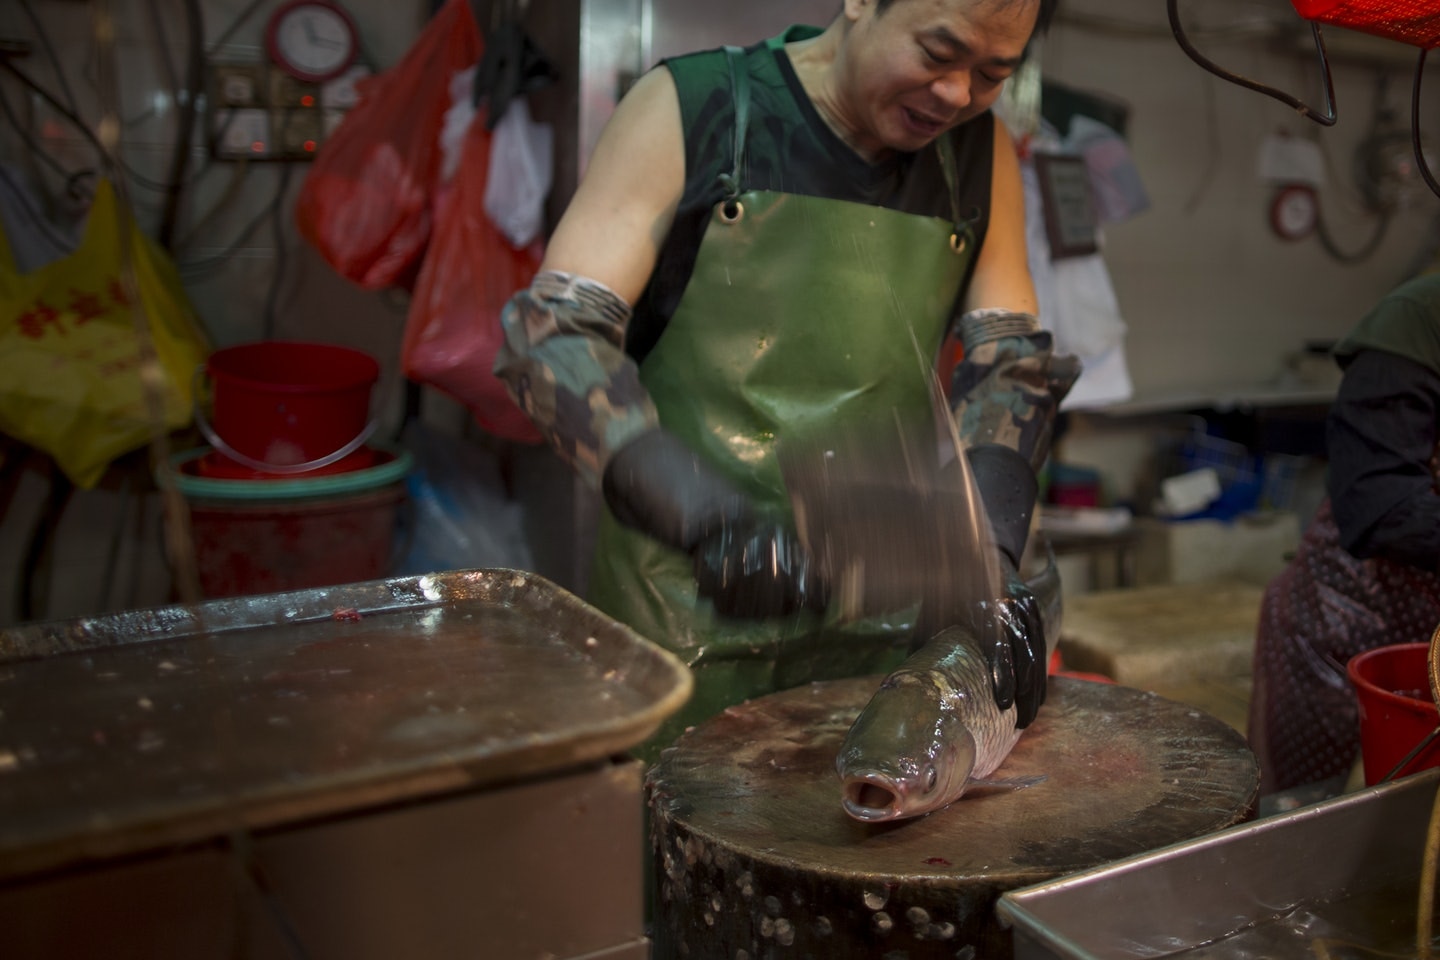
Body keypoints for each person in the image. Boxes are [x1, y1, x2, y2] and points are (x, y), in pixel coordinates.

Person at [494, 0, 1078, 761]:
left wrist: (988, 542)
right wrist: (701, 514)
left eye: (994, 74)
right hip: (686, 626)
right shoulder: (691, 108)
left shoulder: (975, 149)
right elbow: (556, 337)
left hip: (881, 628)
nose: (958, 95)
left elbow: (1009, 361)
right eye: (939, 53)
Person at [1248, 271, 1440, 795]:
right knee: (1312, 814)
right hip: (1341, 627)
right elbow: (1380, 507)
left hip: (1431, 639)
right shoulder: (1417, 321)